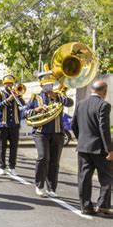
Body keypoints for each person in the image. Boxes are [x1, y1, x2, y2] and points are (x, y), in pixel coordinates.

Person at [25, 69, 74, 197]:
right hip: (40, 133)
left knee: (55, 161)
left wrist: (57, 97)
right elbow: (24, 112)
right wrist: (36, 110)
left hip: (58, 132)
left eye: (51, 84)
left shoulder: (58, 95)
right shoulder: (35, 97)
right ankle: (39, 185)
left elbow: (70, 103)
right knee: (43, 158)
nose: (49, 86)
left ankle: (51, 188)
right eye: (46, 84)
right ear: (41, 84)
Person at [72, 80, 112, 215]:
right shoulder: (104, 105)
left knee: (84, 178)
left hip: (83, 147)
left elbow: (74, 126)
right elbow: (104, 128)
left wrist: (81, 140)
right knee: (107, 177)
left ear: (91, 90)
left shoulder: (80, 104)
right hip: (99, 149)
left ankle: (85, 207)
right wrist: (110, 150)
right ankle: (103, 205)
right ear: (104, 92)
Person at [0, 74, 25, 176]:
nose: (9, 85)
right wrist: (9, 99)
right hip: (2, 125)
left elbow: (23, 105)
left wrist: (18, 97)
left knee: (14, 147)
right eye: (7, 83)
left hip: (14, 125)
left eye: (11, 83)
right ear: (4, 84)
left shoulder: (17, 94)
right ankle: (2, 166)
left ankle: (12, 167)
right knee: (2, 147)